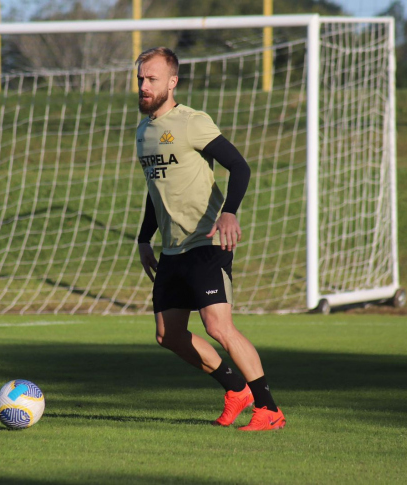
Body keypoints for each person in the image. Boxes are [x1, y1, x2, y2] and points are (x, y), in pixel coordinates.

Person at [134, 47, 285, 431]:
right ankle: (236, 389)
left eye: (151, 79)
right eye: (140, 79)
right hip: (172, 248)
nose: (143, 85)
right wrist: (143, 239)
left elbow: (240, 166)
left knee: (218, 327)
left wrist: (229, 211)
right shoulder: (142, 133)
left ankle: (269, 410)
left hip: (207, 241)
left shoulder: (191, 122)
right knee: (168, 335)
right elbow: (157, 192)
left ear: (172, 82)